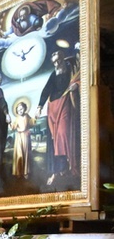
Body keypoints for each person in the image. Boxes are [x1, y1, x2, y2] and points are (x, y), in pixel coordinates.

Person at [36, 50, 80, 185]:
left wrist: (76, 86)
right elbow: (46, 90)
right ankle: (60, 169)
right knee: (54, 139)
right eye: (54, 62)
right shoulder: (54, 74)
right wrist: (39, 107)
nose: (56, 64)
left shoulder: (71, 70)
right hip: (52, 107)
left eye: (58, 61)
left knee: (63, 133)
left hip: (65, 103)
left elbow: (79, 80)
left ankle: (68, 164)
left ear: (62, 59)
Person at [10, 101, 35, 179]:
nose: (20, 111)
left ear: (25, 109)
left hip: (25, 137)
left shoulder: (27, 116)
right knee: (19, 154)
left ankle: (25, 172)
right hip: (19, 138)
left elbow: (31, 123)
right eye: (18, 110)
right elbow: (13, 127)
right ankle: (18, 171)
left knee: (26, 154)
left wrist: (36, 118)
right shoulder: (17, 118)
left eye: (21, 109)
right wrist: (9, 123)